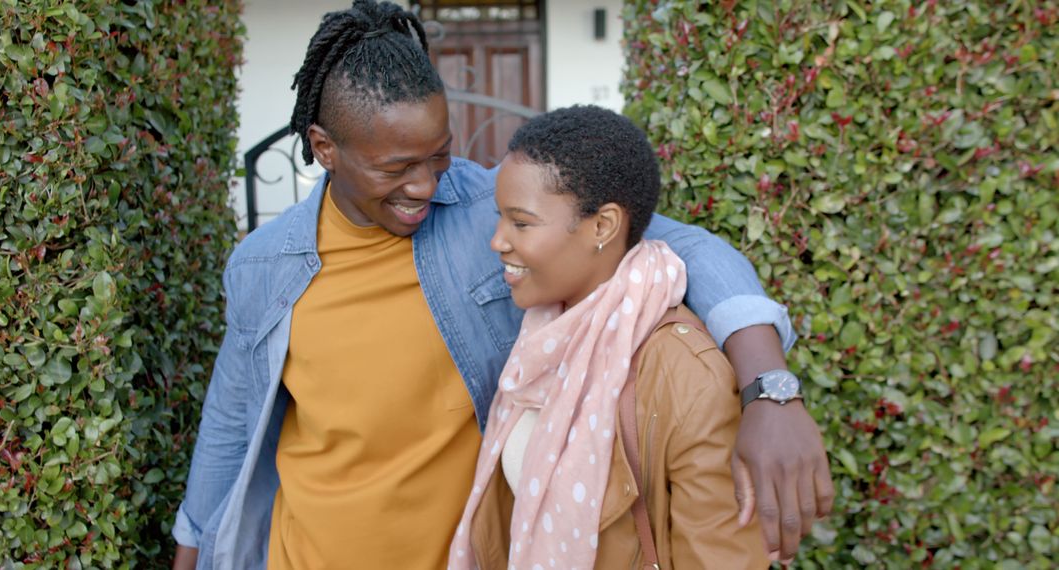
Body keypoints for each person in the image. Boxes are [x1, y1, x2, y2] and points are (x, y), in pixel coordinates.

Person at [172, 1, 832, 568]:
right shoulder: (263, 266)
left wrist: (770, 390)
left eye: (438, 154)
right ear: (324, 147)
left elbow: (686, 246)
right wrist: (191, 553)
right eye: (396, 168)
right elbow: (230, 428)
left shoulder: (491, 211)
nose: (426, 186)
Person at [449, 104, 770, 569]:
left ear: (602, 226)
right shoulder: (545, 335)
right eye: (500, 218)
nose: (497, 241)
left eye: (520, 222)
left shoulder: (684, 373)